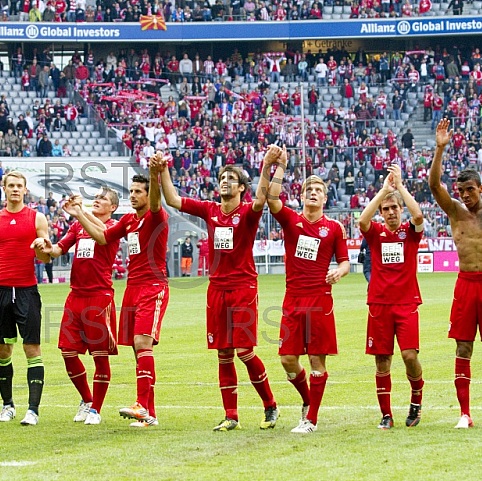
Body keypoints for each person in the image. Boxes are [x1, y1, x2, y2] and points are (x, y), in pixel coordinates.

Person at [156, 145, 281, 431]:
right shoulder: (210, 210)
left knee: (245, 352)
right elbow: (173, 199)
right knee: (223, 352)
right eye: (222, 177)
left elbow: (262, 199)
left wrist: (266, 166)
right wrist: (163, 169)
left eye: (230, 179)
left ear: (240, 188)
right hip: (216, 291)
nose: (224, 181)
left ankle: (270, 404)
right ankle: (231, 415)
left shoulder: (248, 212)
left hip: (243, 288)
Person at [62, 165, 169, 427]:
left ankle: (142, 406)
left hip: (152, 286)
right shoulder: (128, 221)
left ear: (149, 194)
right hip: (132, 287)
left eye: (138, 192)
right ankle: (149, 414)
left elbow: (156, 199)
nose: (133, 195)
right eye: (130, 191)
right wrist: (79, 213)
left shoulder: (156, 215)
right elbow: (102, 236)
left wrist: (156, 175)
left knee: (143, 344)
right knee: (137, 349)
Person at [430, 119, 482, 428]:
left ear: (480, 188)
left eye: (470, 189)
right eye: (461, 190)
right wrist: (440, 149)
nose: (464, 194)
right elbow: (435, 186)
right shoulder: (455, 212)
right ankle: (465, 413)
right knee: (463, 347)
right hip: (465, 284)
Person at [266, 156, 350, 433]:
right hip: (293, 298)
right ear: (301, 196)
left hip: (319, 298)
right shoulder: (291, 220)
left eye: (318, 191)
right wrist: (281, 167)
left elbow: (345, 261)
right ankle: (308, 401)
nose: (313, 193)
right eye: (308, 190)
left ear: (325, 198)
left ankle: (310, 420)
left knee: (316, 359)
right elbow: (272, 198)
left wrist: (340, 271)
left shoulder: (334, 228)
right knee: (287, 360)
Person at [0, 172, 50, 426]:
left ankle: (33, 410)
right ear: (3, 189)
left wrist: (41, 249)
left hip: (27, 290)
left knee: (32, 348)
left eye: (19, 186)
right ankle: (7, 405)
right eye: (11, 185)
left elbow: (47, 257)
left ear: (25, 190)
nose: (15, 189)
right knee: (3, 350)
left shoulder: (37, 218)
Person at [37, 187, 121, 426]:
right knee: (67, 351)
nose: (97, 201)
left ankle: (96, 409)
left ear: (112, 207)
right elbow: (59, 249)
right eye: (96, 198)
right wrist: (46, 248)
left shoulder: (115, 226)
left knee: (99, 355)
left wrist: (80, 211)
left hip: (99, 297)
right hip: (75, 296)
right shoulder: (77, 226)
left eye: (103, 199)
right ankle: (87, 399)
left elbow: (102, 234)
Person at [358, 164, 425, 430]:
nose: (390, 212)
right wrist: (384, 191)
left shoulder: (409, 234)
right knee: (382, 360)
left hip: (406, 303)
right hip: (379, 304)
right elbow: (362, 221)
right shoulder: (375, 233)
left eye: (394, 208)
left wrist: (400, 189)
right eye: (386, 209)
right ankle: (386, 414)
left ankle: (416, 402)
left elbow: (418, 216)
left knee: (409, 356)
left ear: (400, 209)